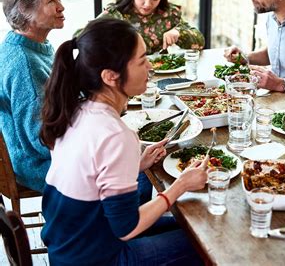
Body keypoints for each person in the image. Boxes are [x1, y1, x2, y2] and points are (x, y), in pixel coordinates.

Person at [39, 18, 208, 265]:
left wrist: (137, 164)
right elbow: (127, 228)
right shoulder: (116, 135)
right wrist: (180, 185)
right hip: (97, 257)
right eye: (141, 60)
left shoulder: (76, 110)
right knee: (203, 243)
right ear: (110, 76)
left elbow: (92, 178)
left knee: (189, 228)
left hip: (69, 246)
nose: (150, 66)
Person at [0, 0, 65, 192]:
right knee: (128, 160)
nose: (61, 7)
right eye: (51, 1)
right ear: (25, 11)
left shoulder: (34, 45)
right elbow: (40, 141)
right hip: (38, 165)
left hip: (46, 149)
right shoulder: (24, 63)